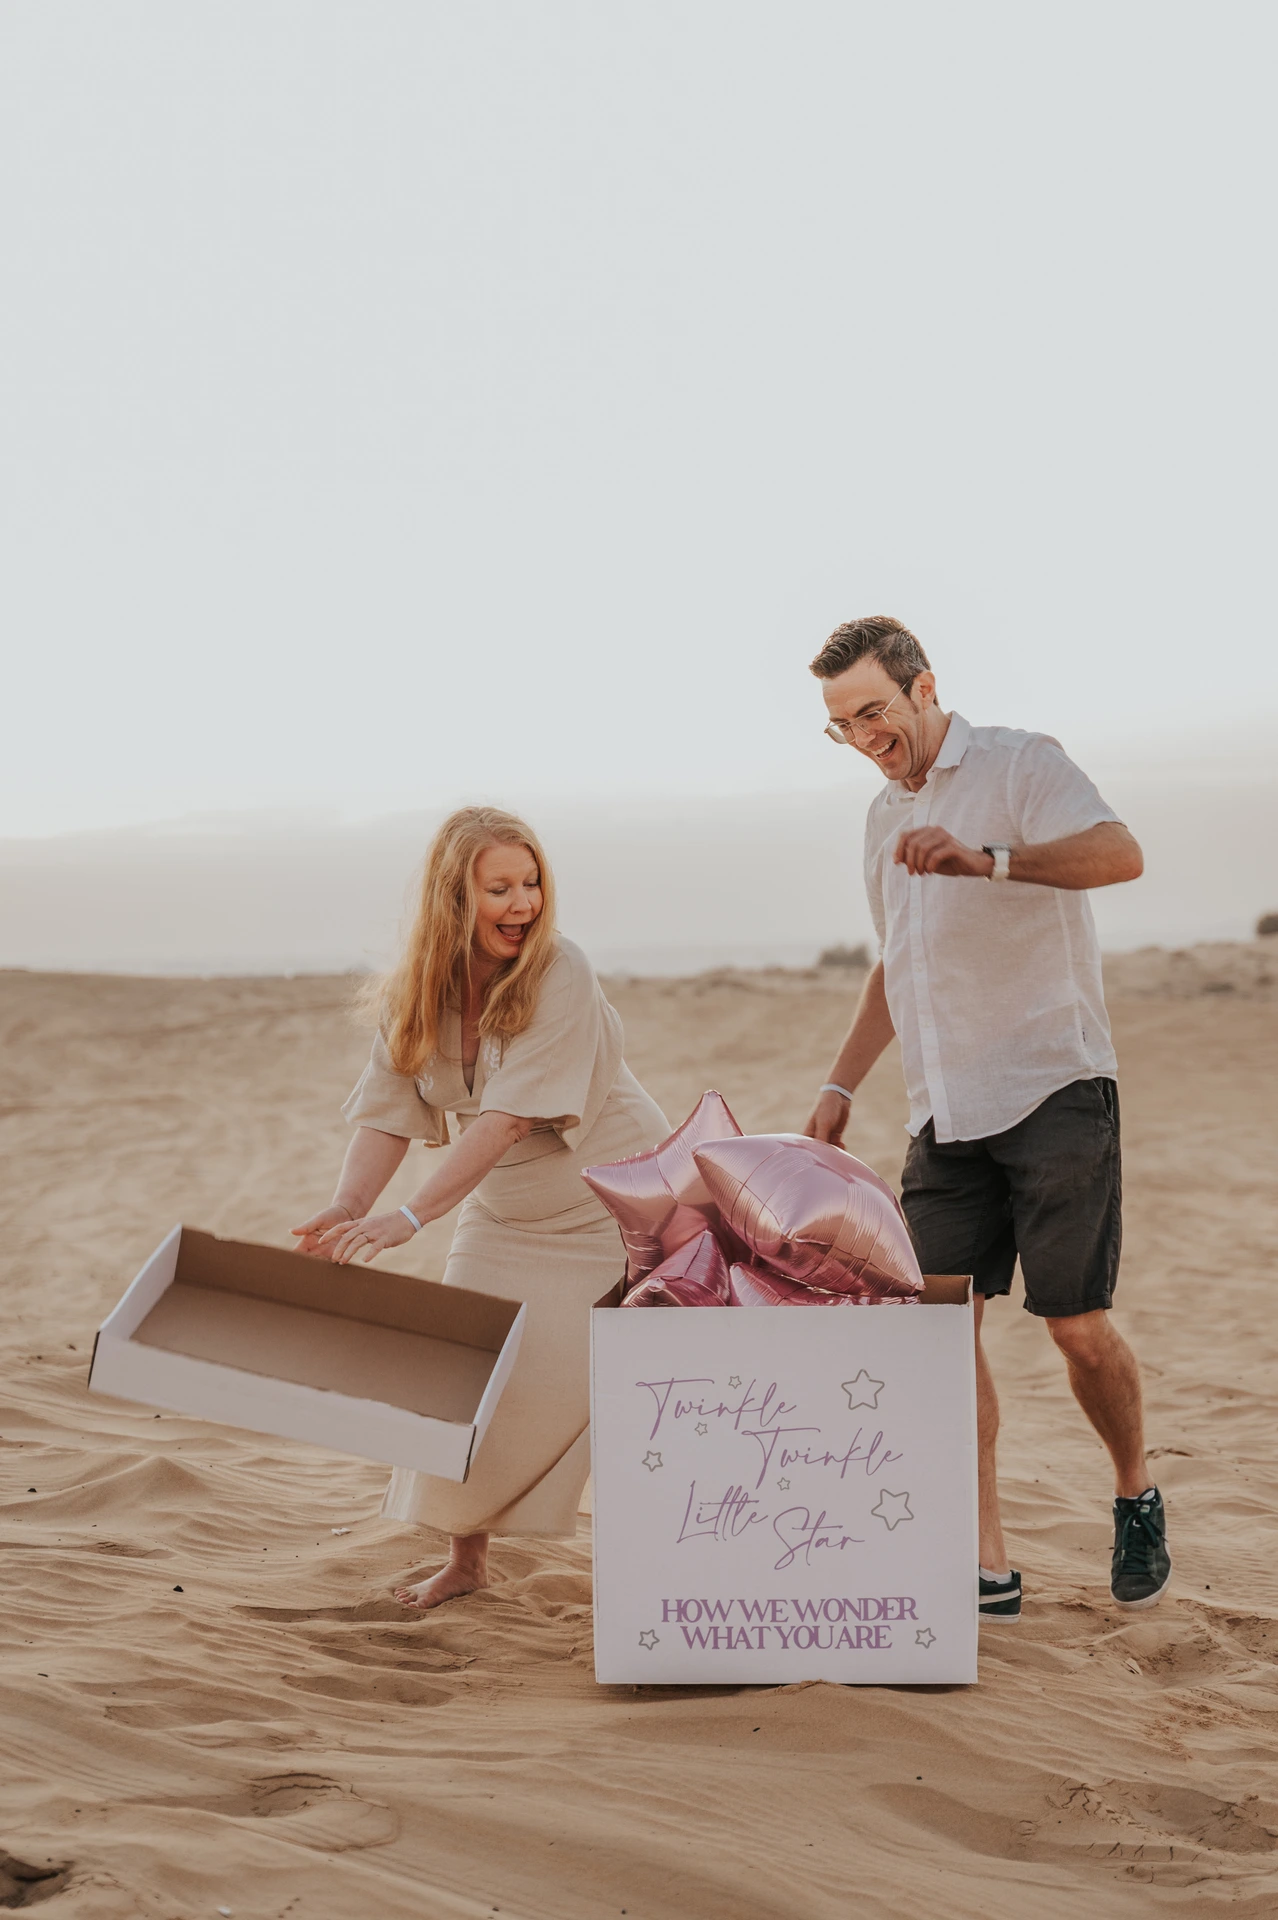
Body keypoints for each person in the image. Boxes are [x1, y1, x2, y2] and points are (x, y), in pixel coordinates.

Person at [803, 615, 1170, 1622]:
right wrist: (841, 1085)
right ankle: (984, 1560)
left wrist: (989, 860)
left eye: (873, 711)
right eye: (842, 725)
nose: (864, 736)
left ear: (923, 689)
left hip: (1054, 1088)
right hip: (945, 1113)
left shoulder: (1019, 764)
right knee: (937, 1330)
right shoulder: (882, 820)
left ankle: (1135, 1488)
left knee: (1076, 1327)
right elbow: (898, 964)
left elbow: (1120, 852)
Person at [292, 805, 669, 1610]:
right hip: (503, 1213)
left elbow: (500, 1121)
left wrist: (413, 1218)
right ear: (453, 897)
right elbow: (387, 1111)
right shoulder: (417, 993)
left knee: (613, 1388)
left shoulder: (560, 970)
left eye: (531, 883)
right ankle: (467, 1564)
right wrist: (348, 1206)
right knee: (466, 1377)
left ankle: (656, 1578)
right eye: (500, 887)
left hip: (617, 1206)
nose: (523, 903)